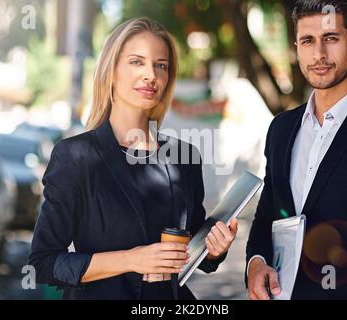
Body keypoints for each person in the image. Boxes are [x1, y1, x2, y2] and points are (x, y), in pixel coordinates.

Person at [29, 17, 238, 300]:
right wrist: (131, 260)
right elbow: (43, 264)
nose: (150, 74)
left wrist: (215, 249)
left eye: (160, 65)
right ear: (111, 70)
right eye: (137, 62)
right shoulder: (74, 156)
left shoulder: (185, 157)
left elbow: (195, 252)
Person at [246, 0, 347, 300]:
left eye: (331, 38)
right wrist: (256, 264)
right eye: (308, 41)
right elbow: (268, 216)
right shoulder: (281, 129)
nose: (318, 54)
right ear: (296, 47)